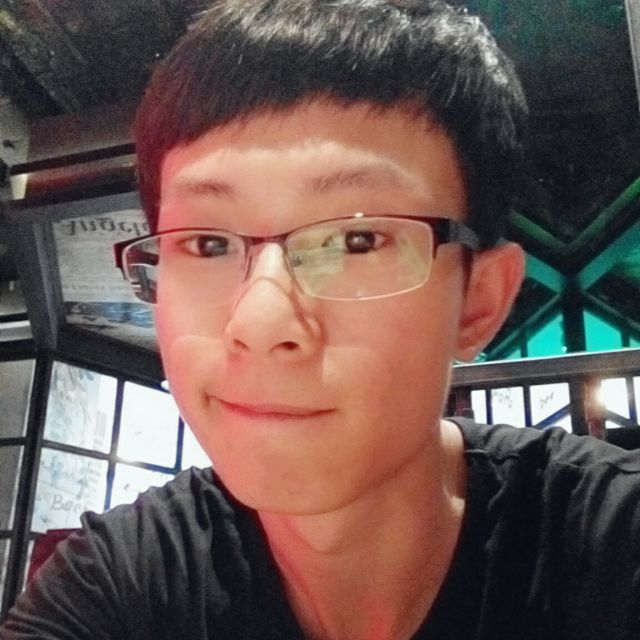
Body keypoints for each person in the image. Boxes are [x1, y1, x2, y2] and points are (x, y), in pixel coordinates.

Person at [2, 1, 640, 638]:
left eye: (357, 241)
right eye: (207, 243)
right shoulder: (119, 585)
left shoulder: (609, 546)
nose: (260, 320)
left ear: (478, 301)